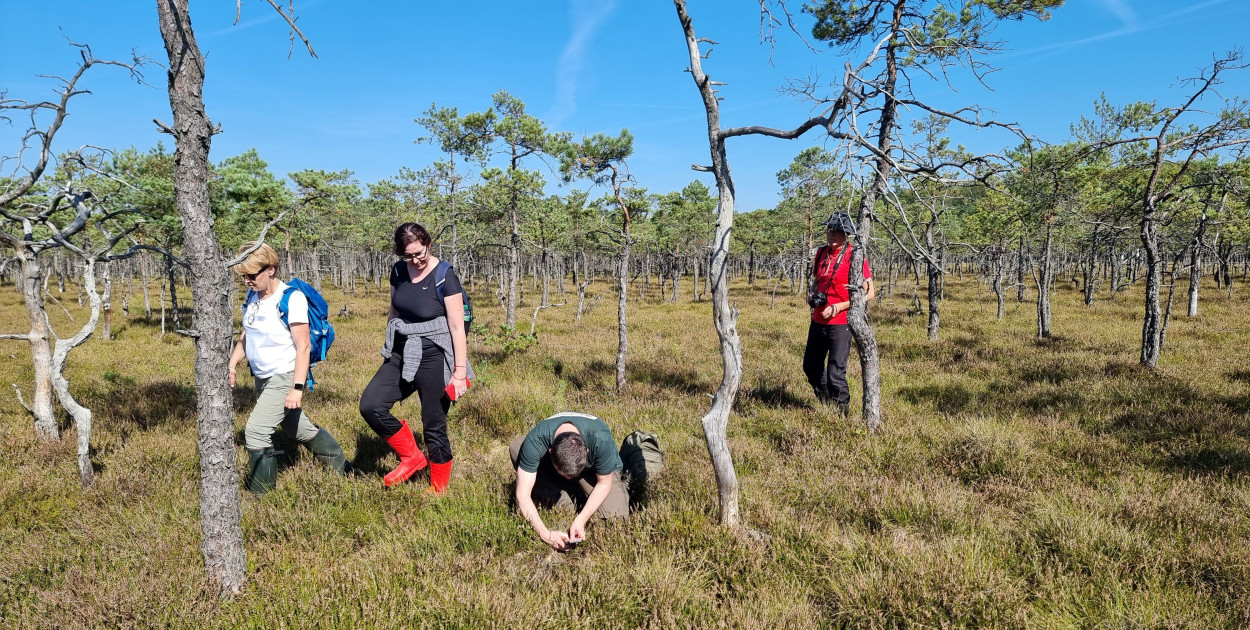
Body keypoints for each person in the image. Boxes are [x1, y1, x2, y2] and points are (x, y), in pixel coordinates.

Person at [359, 222, 472, 494]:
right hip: (402, 349)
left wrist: (458, 373)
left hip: (435, 353)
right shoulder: (398, 271)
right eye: (409, 255)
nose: (416, 260)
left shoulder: (445, 275)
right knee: (371, 405)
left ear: (428, 245)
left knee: (433, 425)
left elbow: (457, 328)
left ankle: (438, 490)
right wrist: (388, 344)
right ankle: (412, 457)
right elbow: (394, 310)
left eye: (419, 253)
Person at [228, 242, 349, 493]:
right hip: (261, 375)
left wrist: (297, 387)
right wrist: (232, 363)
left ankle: (261, 496)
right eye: (244, 276)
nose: (248, 281)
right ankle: (344, 469)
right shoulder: (253, 295)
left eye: (252, 275)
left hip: (284, 375)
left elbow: (303, 346)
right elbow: (247, 334)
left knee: (257, 432)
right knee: (297, 428)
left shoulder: (290, 298)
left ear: (270, 269)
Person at [509, 412, 629, 551]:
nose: (568, 477)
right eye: (564, 474)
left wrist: (581, 520)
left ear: (587, 450)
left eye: (570, 476)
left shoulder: (601, 439)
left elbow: (604, 483)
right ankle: (561, 498)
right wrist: (545, 534)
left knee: (615, 519)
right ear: (550, 451)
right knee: (518, 447)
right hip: (553, 463)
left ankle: (577, 492)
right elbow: (522, 495)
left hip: (593, 472)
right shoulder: (536, 440)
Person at [803, 212, 875, 415]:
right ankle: (826, 403)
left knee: (836, 373)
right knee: (811, 366)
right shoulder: (821, 253)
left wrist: (839, 306)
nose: (832, 234)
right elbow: (817, 280)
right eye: (830, 230)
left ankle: (842, 414)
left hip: (841, 322)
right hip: (818, 319)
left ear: (846, 235)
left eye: (837, 231)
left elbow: (869, 293)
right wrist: (812, 293)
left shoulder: (855, 256)